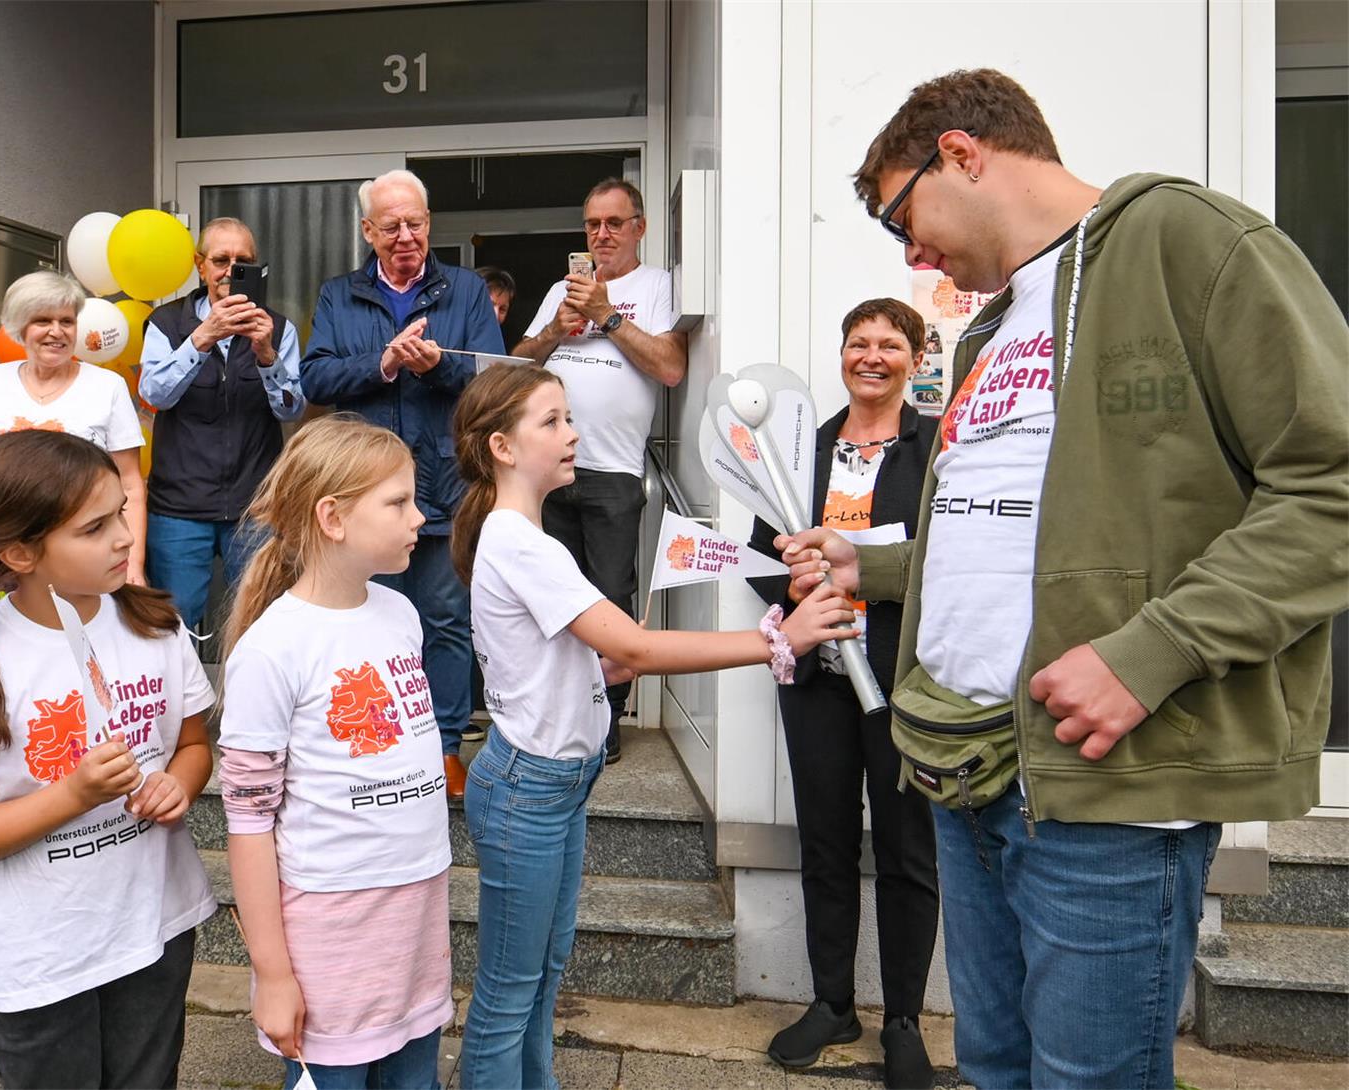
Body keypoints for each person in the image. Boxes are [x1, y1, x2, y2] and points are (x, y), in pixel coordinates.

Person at [777, 68, 1349, 1090]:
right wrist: (866, 563)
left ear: (962, 152)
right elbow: (1017, 533)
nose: (912, 255)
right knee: (996, 1067)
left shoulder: (1188, 243)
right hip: (963, 772)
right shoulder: (995, 329)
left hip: (1104, 793)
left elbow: (1328, 485)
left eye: (904, 216)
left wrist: (1152, 654)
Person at [453, 364, 862, 1089]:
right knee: (510, 992)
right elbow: (636, 647)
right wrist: (781, 638)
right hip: (529, 788)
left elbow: (559, 656)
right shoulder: (523, 543)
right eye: (551, 422)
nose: (574, 433)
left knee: (542, 977)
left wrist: (593, 671)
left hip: (552, 784)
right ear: (502, 448)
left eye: (569, 417)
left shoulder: (528, 538)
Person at [0, 429, 215, 1090]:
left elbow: (192, 746)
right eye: (94, 527)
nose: (125, 537)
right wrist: (72, 796)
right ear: (21, 551)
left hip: (154, 926)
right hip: (43, 955)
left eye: (122, 513)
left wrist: (177, 784)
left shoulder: (154, 626)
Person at [218, 415, 453, 1090]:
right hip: (334, 931)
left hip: (412, 919)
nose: (420, 515)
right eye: (399, 502)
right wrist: (272, 973)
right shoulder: (274, 649)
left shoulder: (400, 614)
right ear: (333, 517)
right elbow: (249, 824)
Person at [745, 300, 940, 1089]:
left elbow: (951, 556)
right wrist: (787, 580)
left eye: (890, 344)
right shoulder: (801, 450)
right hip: (818, 679)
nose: (872, 356)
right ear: (841, 355)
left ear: (916, 357)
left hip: (902, 677)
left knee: (906, 851)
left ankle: (902, 1020)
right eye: (859, 342)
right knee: (824, 841)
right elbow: (761, 556)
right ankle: (832, 1004)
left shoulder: (937, 450)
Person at [300, 168, 506, 798]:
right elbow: (314, 381)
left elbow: (493, 382)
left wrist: (441, 366)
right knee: (361, 620)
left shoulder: (465, 290)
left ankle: (444, 748)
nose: (406, 236)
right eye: (391, 226)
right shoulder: (340, 295)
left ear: (428, 224)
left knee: (444, 619)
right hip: (362, 492)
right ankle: (372, 740)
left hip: (443, 485)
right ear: (369, 231)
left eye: (415, 223)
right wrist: (383, 363)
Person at [513, 179, 686, 762]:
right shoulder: (563, 289)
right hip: (550, 472)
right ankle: (565, 716)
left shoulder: (658, 285)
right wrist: (556, 329)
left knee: (609, 600)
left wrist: (607, 316)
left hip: (613, 472)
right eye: (592, 225)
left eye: (614, 223)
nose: (602, 234)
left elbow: (670, 368)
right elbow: (516, 364)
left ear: (639, 227)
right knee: (555, 601)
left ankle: (606, 725)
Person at [139, 217, 304, 634]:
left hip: (255, 507)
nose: (231, 270)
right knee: (175, 628)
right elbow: (155, 395)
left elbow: (291, 409)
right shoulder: (166, 323)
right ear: (200, 265)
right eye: (221, 259)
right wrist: (202, 338)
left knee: (260, 624)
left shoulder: (278, 327)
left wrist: (266, 353)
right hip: (179, 508)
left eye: (243, 261)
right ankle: (183, 703)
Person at [0, 271, 148, 585]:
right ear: (20, 326)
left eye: (66, 321)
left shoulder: (107, 386)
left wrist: (133, 567)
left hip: (85, 556)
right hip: (5, 553)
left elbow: (130, 485)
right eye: (42, 321)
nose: (56, 332)